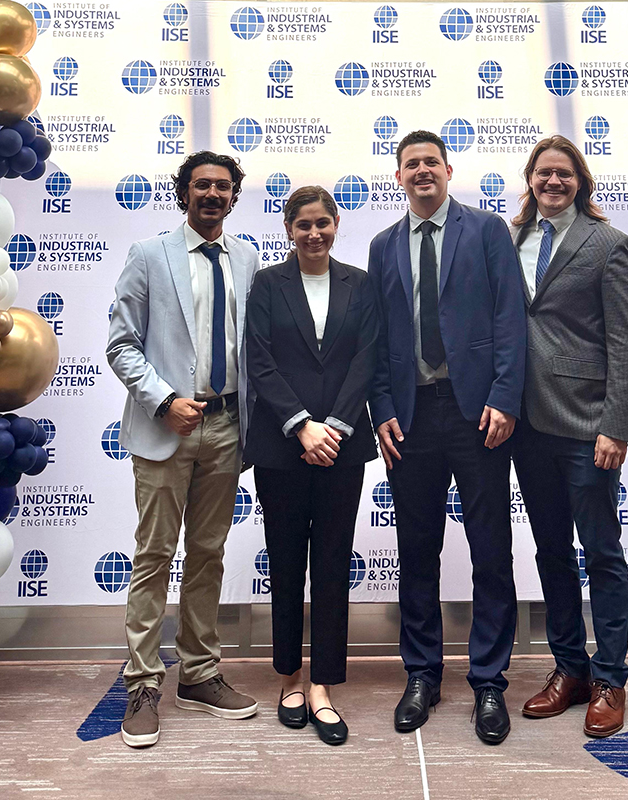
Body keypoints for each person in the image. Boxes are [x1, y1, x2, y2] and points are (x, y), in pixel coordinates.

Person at [368, 130, 526, 745]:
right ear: (398, 176)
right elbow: (377, 337)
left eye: (431, 161)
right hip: (410, 417)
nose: (422, 171)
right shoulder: (383, 245)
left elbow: (509, 317)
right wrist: (382, 408)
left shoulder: (485, 230)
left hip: (477, 413)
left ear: (448, 169)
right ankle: (422, 673)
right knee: (416, 549)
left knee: (490, 547)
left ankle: (488, 679)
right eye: (411, 164)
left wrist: (505, 397)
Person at [107, 151, 260, 748]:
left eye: (223, 186)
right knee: (154, 554)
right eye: (202, 185)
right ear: (184, 193)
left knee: (207, 553)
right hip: (167, 426)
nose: (212, 194)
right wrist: (164, 400)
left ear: (234, 196)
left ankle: (198, 673)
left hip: (227, 427)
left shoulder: (246, 258)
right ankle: (143, 682)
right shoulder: (149, 255)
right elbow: (122, 344)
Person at [510, 135, 628, 738]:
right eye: (543, 173)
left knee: (602, 553)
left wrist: (616, 425)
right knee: (551, 553)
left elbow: (627, 343)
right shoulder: (512, 239)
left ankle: (610, 677)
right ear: (531, 180)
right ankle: (570, 669)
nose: (553, 182)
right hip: (527, 426)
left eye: (564, 173)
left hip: (588, 427)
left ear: (580, 181)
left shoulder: (608, 244)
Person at [245, 186, 378, 746]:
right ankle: (288, 679)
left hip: (342, 448)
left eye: (323, 222)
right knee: (285, 564)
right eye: (303, 224)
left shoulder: (361, 284)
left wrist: (336, 427)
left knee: (330, 564)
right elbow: (259, 361)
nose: (314, 233)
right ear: (288, 229)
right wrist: (302, 425)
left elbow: (367, 358)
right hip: (282, 448)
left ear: (336, 224)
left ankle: (322, 683)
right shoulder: (266, 284)